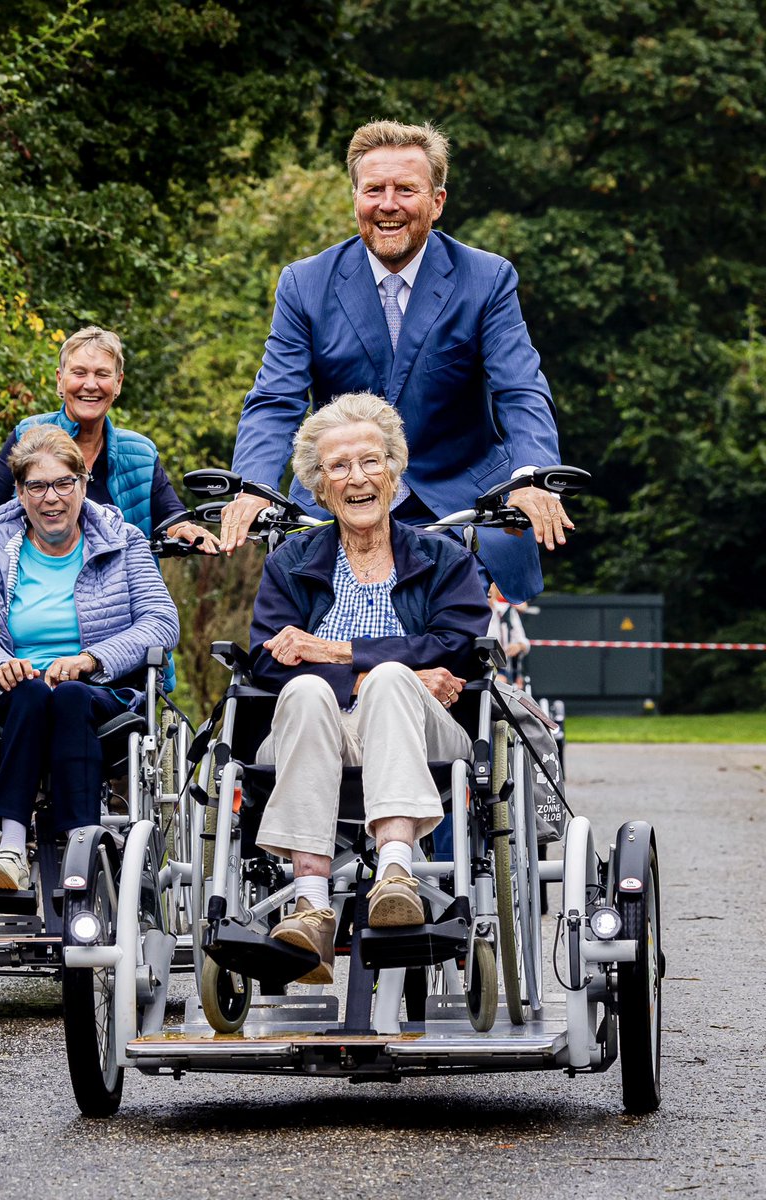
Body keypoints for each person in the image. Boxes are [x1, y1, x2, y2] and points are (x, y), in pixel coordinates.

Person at [220, 119, 572, 604]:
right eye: (374, 190)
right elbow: (276, 398)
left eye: (406, 189)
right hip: (340, 501)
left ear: (437, 201)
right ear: (356, 199)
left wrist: (531, 478)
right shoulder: (305, 283)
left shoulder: (487, 279)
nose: (388, 205)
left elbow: (520, 388)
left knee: (457, 653)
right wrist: (256, 486)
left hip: (455, 506)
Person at [247, 392, 490, 983]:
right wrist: (368, 672)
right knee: (305, 692)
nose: (358, 478)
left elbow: (457, 643)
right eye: (339, 466)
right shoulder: (291, 562)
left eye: (371, 461)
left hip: (422, 734)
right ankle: (310, 905)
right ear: (319, 487)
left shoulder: (443, 558)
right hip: (315, 732)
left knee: (385, 683)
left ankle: (396, 876)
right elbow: (267, 661)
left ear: (395, 472)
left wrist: (336, 652)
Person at [0, 425, 180, 891]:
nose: (50, 498)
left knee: (71, 694)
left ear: (82, 481)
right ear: (19, 492)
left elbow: (161, 621)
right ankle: (12, 846)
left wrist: (92, 659)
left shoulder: (123, 540)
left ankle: (80, 841)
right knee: (34, 691)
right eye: (36, 486)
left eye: (62, 484)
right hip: (13, 694)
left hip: (99, 693)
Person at [0, 325, 217, 556]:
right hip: (37, 587)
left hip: (122, 597)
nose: (90, 384)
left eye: (102, 374)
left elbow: (170, 516)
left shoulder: (140, 452)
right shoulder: (28, 434)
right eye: (79, 373)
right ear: (60, 380)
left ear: (118, 383)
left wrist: (185, 529)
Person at [487, 581, 530, 688]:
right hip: (473, 667)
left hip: (500, 667)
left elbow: (525, 642)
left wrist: (518, 646)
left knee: (499, 682)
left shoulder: (506, 611)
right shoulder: (470, 612)